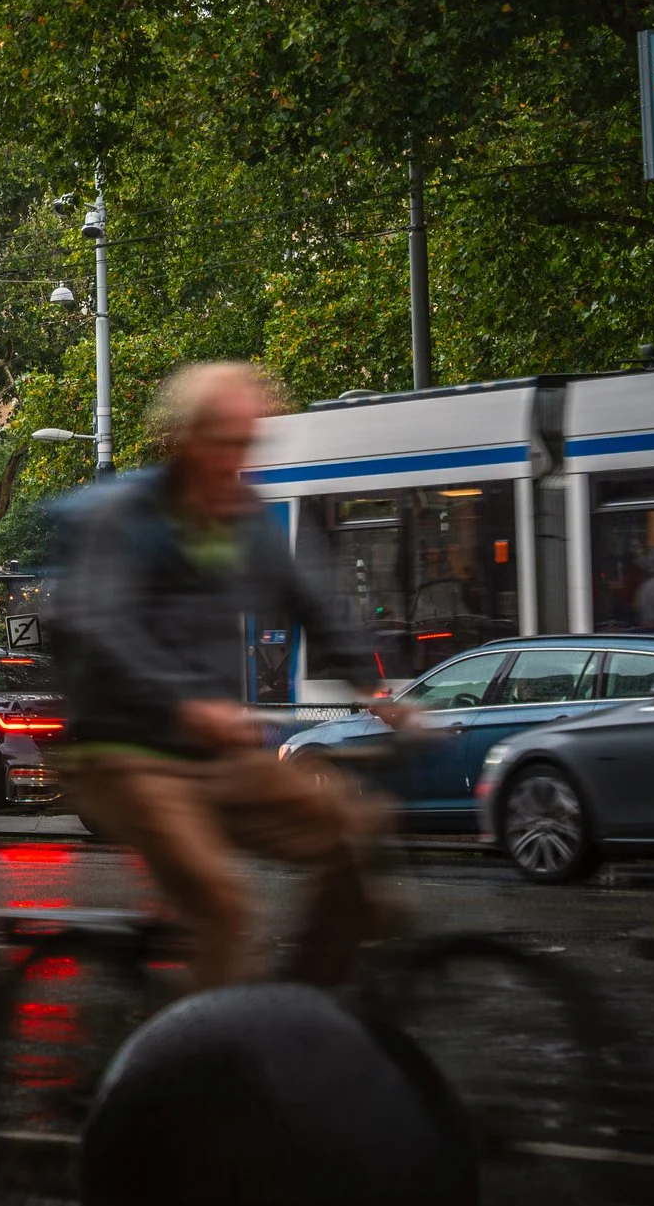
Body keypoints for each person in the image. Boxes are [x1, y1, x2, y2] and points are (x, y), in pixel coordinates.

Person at [48, 361, 407, 990]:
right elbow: (103, 624)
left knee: (354, 829)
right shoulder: (128, 519)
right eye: (223, 444)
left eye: (246, 444)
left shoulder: (242, 519)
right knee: (222, 904)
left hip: (212, 755)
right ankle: (207, 1066)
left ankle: (305, 1009)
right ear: (185, 440)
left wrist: (375, 691)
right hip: (123, 754)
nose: (234, 461)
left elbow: (310, 601)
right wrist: (184, 703)